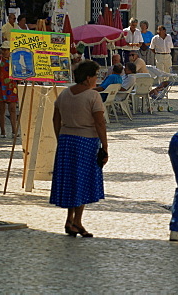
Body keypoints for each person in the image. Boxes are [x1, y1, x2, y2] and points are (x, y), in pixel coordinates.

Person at [51, 60, 108, 238]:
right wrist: (105, 146)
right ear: (88, 77)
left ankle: (70, 219)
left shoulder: (65, 94)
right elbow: (100, 122)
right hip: (86, 141)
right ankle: (77, 221)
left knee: (71, 181)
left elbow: (55, 118)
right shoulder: (93, 96)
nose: (97, 79)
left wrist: (60, 136)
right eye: (96, 76)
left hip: (67, 141)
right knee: (81, 182)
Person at [0, 44, 19, 138]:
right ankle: (3, 131)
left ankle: (14, 130)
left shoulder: (14, 60)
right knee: (1, 110)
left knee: (12, 109)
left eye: (6, 50)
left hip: (11, 86)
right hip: (0, 86)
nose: (4, 51)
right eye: (2, 49)